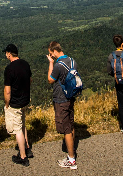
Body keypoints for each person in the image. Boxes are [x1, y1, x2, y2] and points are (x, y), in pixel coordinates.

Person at [47, 41, 78, 170]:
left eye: (51, 53)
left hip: (61, 99)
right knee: (70, 125)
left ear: (55, 51)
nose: (51, 55)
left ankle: (71, 160)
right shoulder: (72, 61)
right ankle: (71, 148)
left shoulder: (58, 65)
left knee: (65, 129)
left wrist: (50, 63)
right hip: (71, 97)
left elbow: (50, 80)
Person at [3, 43, 33, 167]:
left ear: (9, 54)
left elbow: (7, 91)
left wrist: (7, 104)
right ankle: (27, 147)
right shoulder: (25, 64)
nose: (6, 55)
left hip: (15, 103)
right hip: (25, 100)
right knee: (22, 124)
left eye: (6, 53)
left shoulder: (9, 69)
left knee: (17, 130)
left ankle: (23, 157)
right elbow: (30, 80)